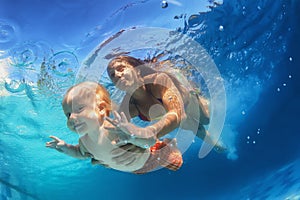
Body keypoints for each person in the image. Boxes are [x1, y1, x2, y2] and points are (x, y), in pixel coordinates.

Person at [45, 81, 183, 174]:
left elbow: (149, 141)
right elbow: (80, 154)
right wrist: (65, 148)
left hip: (149, 157)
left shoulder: (115, 128)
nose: (71, 118)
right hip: (132, 169)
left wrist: (132, 137)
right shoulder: (84, 142)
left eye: (78, 110)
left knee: (175, 163)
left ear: (100, 108)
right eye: (68, 114)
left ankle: (168, 144)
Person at [106, 55, 227, 152]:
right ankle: (217, 145)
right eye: (112, 75)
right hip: (177, 116)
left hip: (188, 100)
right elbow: (111, 131)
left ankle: (207, 101)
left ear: (137, 71)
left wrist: (150, 132)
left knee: (206, 119)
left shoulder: (158, 81)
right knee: (189, 124)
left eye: (121, 68)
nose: (117, 74)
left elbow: (178, 114)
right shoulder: (128, 106)